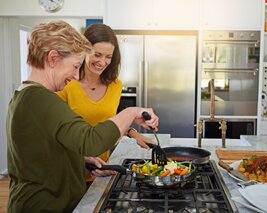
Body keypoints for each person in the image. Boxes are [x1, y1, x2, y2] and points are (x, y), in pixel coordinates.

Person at [6, 20, 159, 213]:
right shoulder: (42, 99)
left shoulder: (24, 95)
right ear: (53, 58)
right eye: (75, 65)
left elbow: (48, 150)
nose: (77, 76)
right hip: (44, 205)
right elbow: (90, 140)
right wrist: (130, 112)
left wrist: (82, 161)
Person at [55, 24, 155, 183]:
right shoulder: (66, 84)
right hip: (71, 173)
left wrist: (134, 134)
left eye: (108, 57)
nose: (102, 62)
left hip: (102, 170)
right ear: (84, 51)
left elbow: (108, 123)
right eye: (97, 54)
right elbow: (55, 134)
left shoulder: (115, 86)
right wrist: (83, 160)